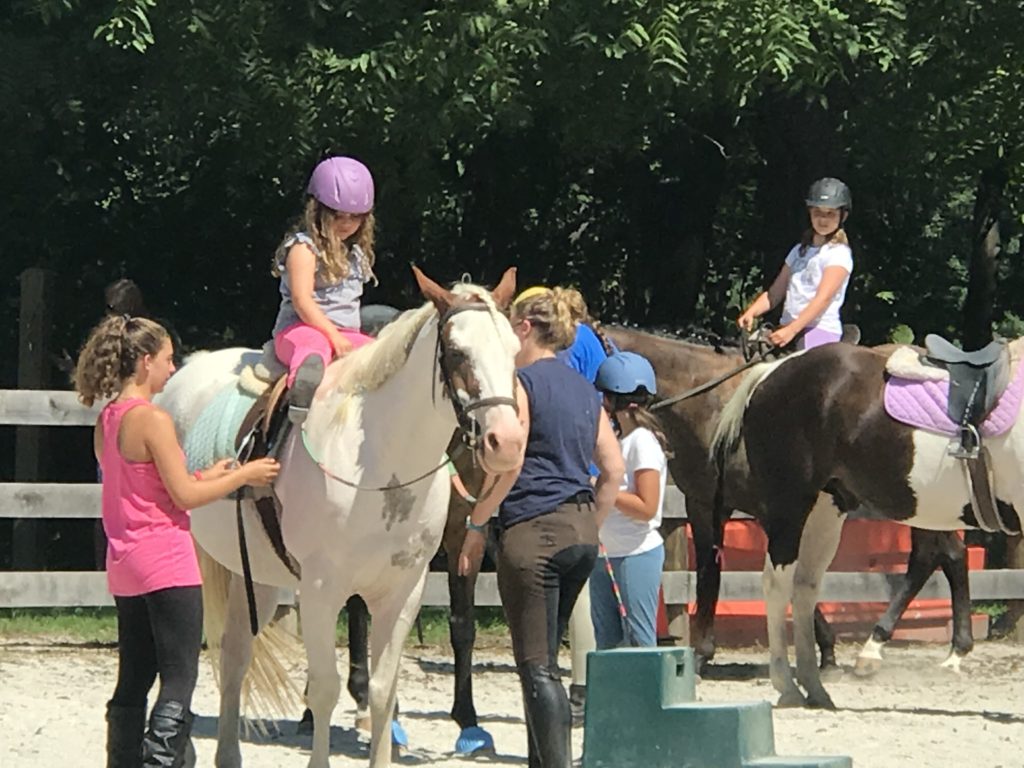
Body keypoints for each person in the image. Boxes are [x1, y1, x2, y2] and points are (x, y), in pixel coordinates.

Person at [73, 314, 280, 768]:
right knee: (179, 678)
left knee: (134, 676)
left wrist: (206, 474)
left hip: (125, 561)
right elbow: (183, 497)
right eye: (168, 360)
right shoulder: (153, 419)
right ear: (145, 362)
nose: (173, 369)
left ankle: (122, 760)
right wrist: (245, 474)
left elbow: (147, 485)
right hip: (166, 559)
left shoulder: (107, 419)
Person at [458, 288, 625, 768]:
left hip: (533, 532)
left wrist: (476, 521)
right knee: (548, 658)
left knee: (536, 668)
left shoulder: (519, 383)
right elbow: (612, 470)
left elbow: (509, 463)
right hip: (580, 533)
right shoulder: (585, 390)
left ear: (525, 328)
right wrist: (592, 524)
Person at [270, 155, 378, 425]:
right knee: (313, 350)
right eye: (338, 215)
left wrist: (344, 338)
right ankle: (299, 411)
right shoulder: (304, 248)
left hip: (346, 333)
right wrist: (332, 336)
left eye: (355, 217)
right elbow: (301, 300)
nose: (346, 223)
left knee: (380, 355)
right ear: (318, 211)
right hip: (299, 330)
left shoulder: (354, 254)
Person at [590, 351, 669, 649]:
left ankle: (643, 697)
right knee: (606, 641)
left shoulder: (643, 442)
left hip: (636, 553)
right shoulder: (620, 441)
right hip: (606, 553)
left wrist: (602, 488)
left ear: (610, 401)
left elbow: (647, 508)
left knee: (639, 639)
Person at [737, 177, 854, 350]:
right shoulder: (799, 250)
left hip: (818, 331)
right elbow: (775, 293)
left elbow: (823, 299)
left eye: (830, 213)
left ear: (842, 216)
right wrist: (752, 312)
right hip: (787, 327)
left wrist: (792, 329)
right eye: (818, 213)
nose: (823, 219)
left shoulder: (838, 254)